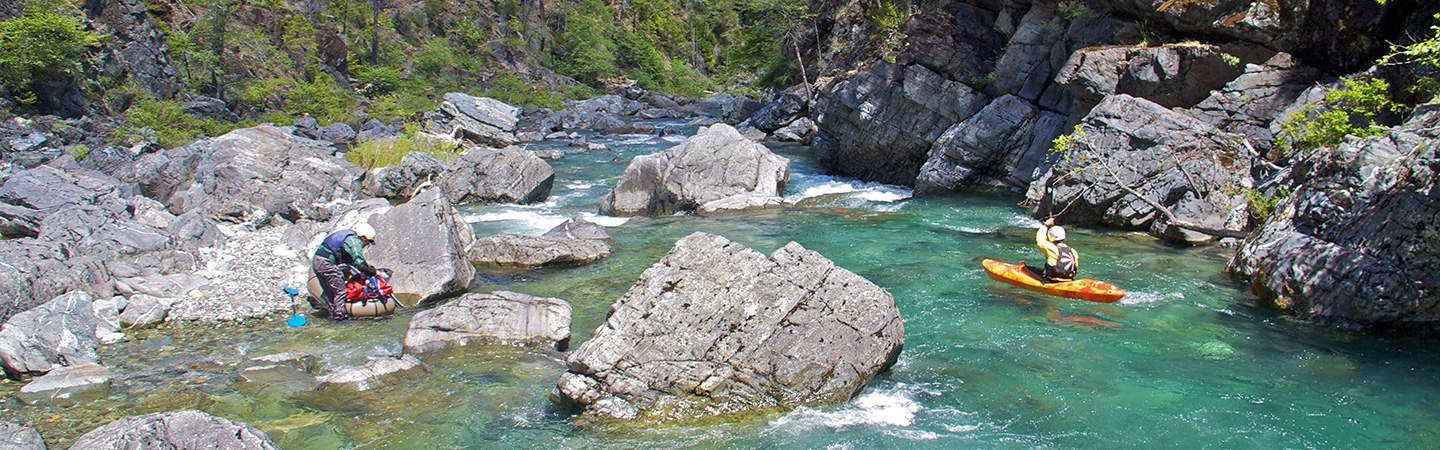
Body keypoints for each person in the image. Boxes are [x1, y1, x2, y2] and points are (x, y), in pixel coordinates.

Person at [312, 223, 380, 320]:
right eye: (368, 242)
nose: (366, 245)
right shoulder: (354, 240)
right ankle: (340, 317)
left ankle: (332, 314)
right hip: (326, 263)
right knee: (341, 291)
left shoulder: (347, 236)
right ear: (363, 238)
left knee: (330, 292)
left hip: (317, 262)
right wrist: (371, 271)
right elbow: (359, 262)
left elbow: (350, 261)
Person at [1031, 218, 1078, 283]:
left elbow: (1040, 240)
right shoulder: (1073, 251)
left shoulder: (1052, 248)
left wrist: (1046, 225)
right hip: (1069, 279)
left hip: (1052, 280)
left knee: (1027, 269)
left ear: (1051, 236)